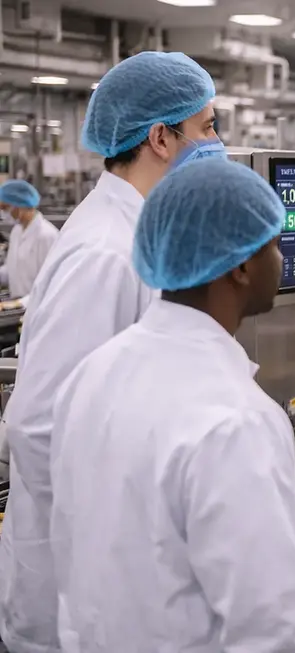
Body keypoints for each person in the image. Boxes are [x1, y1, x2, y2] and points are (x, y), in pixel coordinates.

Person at [48, 158, 295, 652]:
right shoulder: (235, 420)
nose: (282, 260)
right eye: (273, 243)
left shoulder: (92, 375)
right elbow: (281, 632)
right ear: (242, 266)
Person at [0, 51, 222, 653]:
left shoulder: (135, 232)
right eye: (207, 127)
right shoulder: (103, 251)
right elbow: (37, 426)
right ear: (160, 137)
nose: (218, 142)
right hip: (80, 588)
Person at [0, 180, 59, 302]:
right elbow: (13, 270)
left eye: (5, 207)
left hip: (37, 309)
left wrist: (20, 304)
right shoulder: (17, 231)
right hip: (19, 306)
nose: (3, 213)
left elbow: (52, 285)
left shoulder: (46, 236)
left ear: (19, 205)